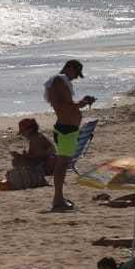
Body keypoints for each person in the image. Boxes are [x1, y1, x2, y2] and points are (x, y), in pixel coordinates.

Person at [45, 60, 94, 212]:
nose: (76, 78)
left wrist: (80, 103)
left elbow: (66, 104)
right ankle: (57, 199)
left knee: (64, 165)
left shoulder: (62, 81)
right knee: (61, 165)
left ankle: (59, 197)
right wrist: (80, 104)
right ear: (69, 68)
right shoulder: (59, 81)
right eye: (76, 74)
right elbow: (61, 106)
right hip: (65, 129)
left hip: (69, 129)